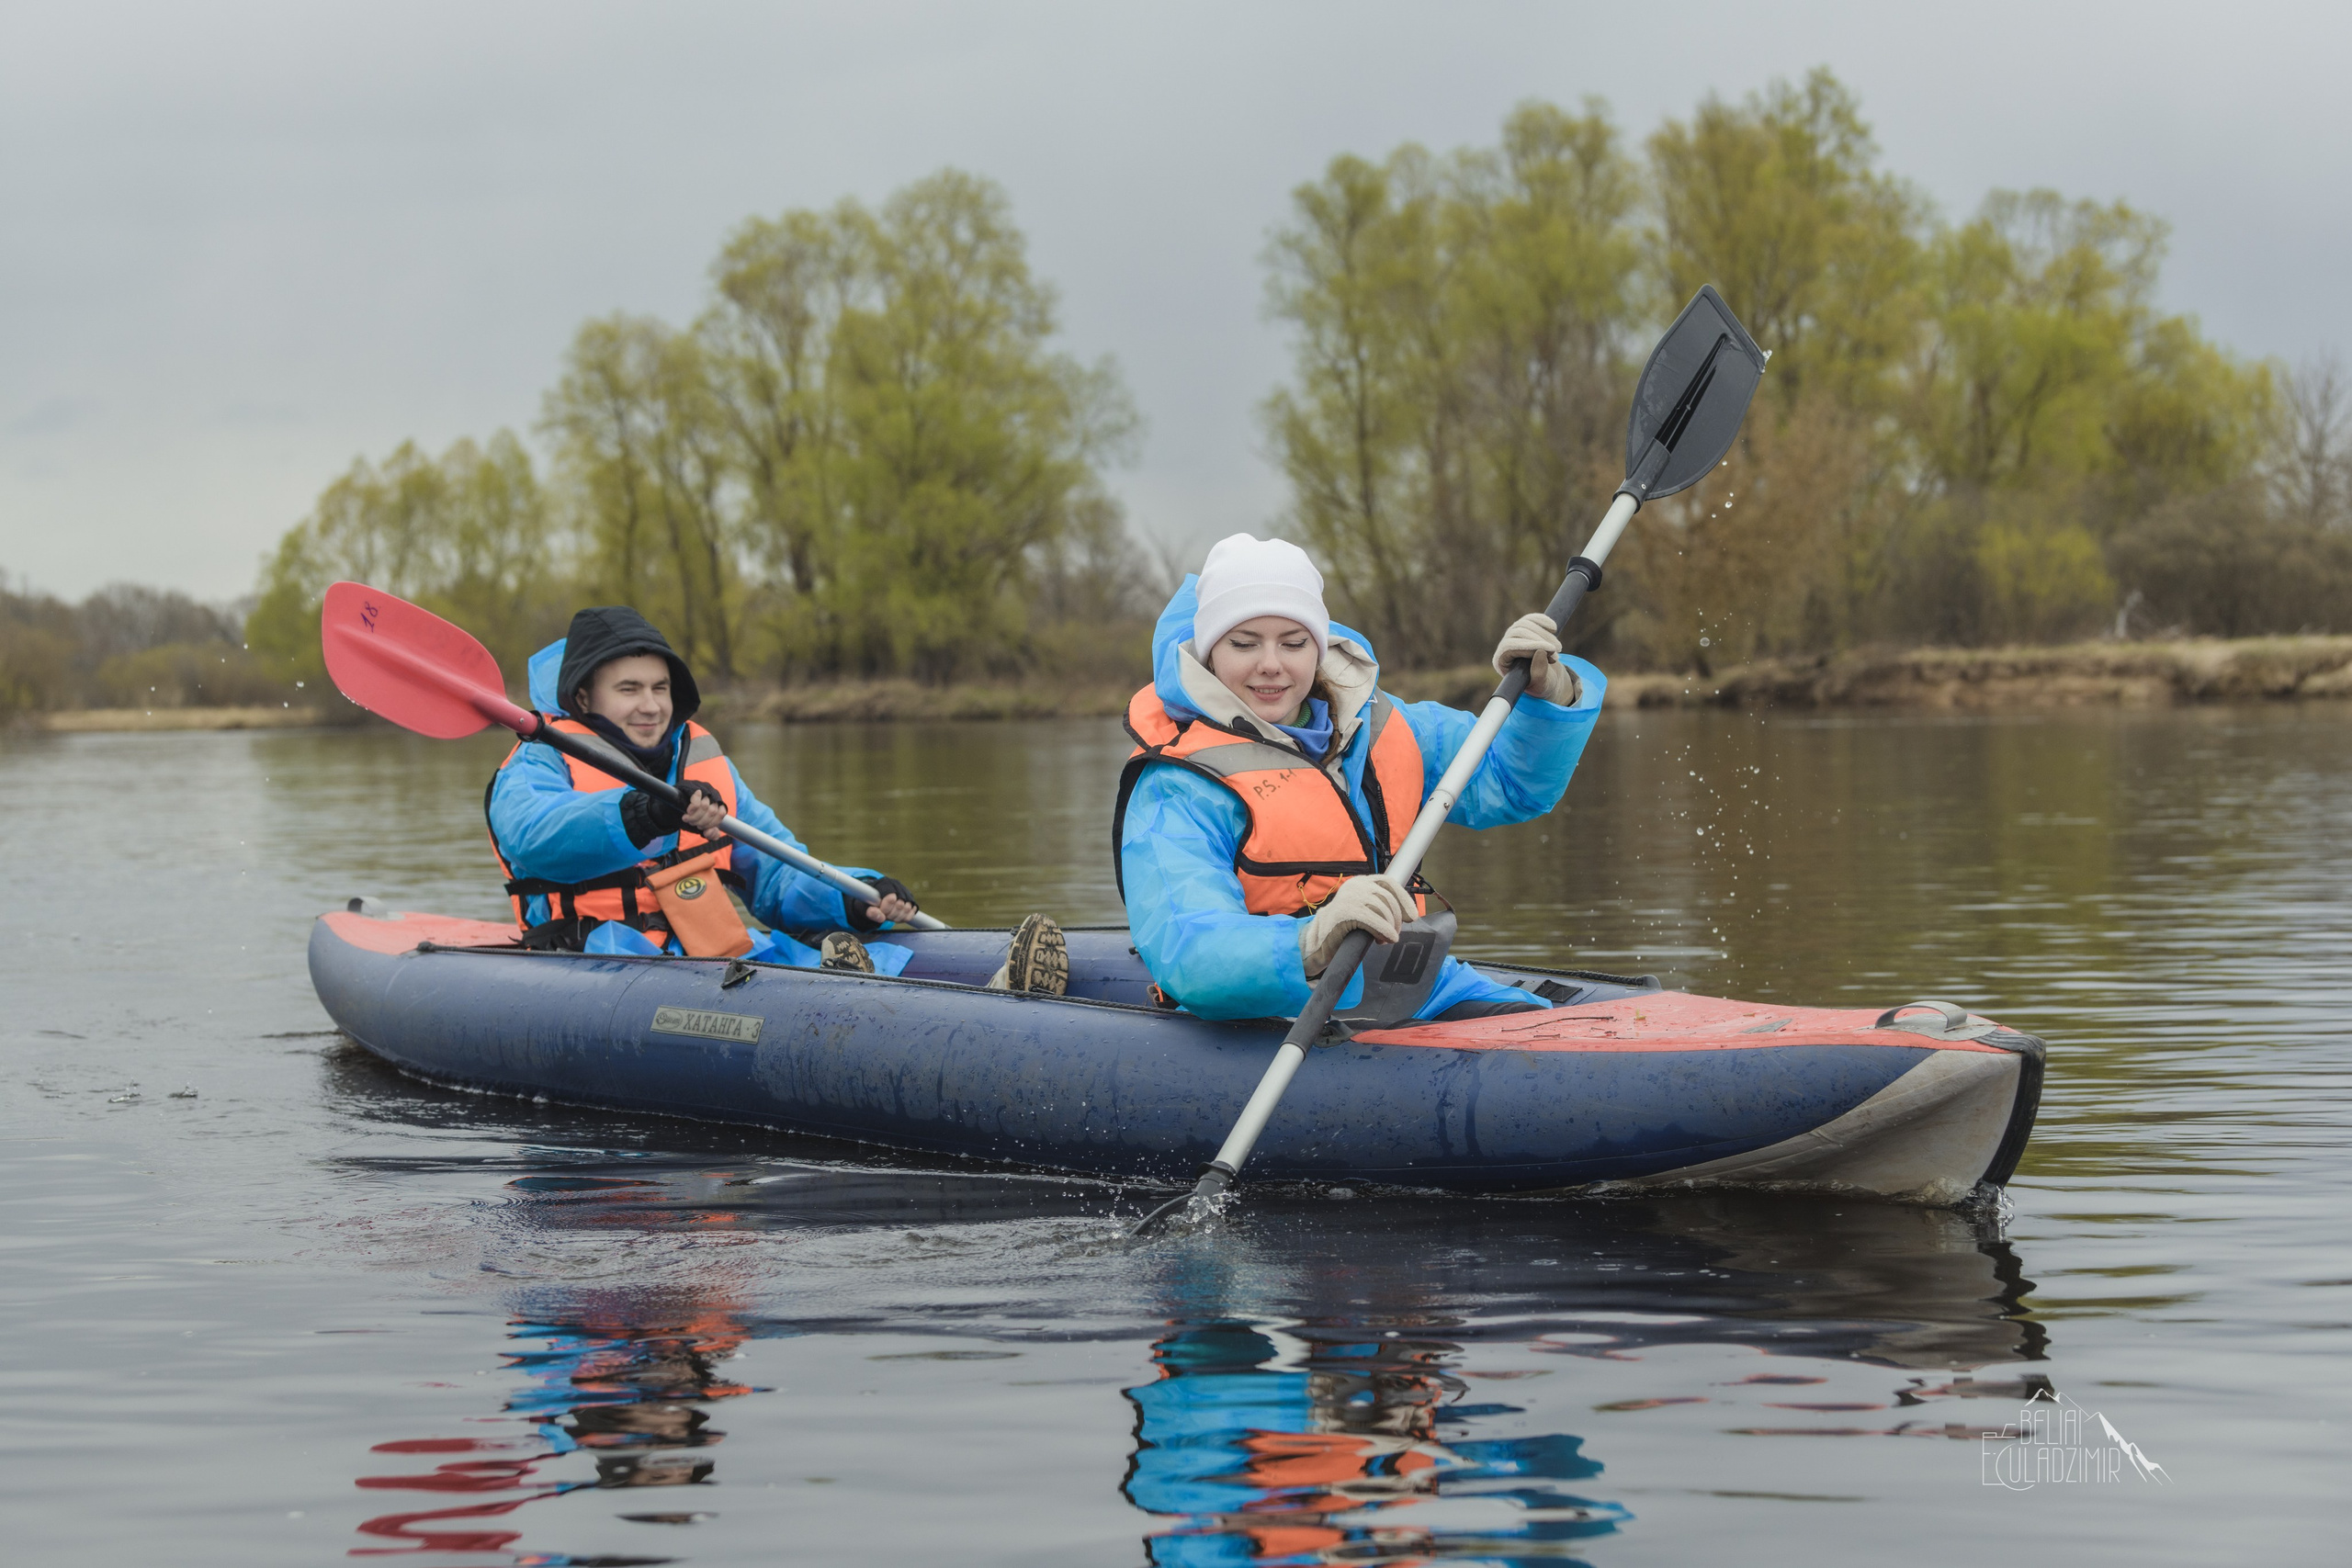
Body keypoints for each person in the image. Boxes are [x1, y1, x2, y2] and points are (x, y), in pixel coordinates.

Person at [1114, 535, 1604, 1023]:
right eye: (1244, 643)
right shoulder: (1176, 785)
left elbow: (1512, 784)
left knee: (1541, 1030)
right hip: (1273, 1012)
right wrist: (1313, 937)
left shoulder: (1387, 726)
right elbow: (1190, 949)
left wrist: (1549, 699)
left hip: (1415, 986)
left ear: (1319, 645)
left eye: (1294, 642)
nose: (1271, 664)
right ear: (1210, 652)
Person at [488, 605, 1066, 993]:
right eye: (629, 690)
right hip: (596, 961)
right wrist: (644, 813)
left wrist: (855, 895)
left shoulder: (698, 760)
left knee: (847, 951)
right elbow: (536, 838)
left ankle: (995, 996)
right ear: (585, 696)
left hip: (705, 950)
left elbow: (777, 871)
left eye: (660, 688)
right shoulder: (541, 759)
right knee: (792, 975)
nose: (651, 706)